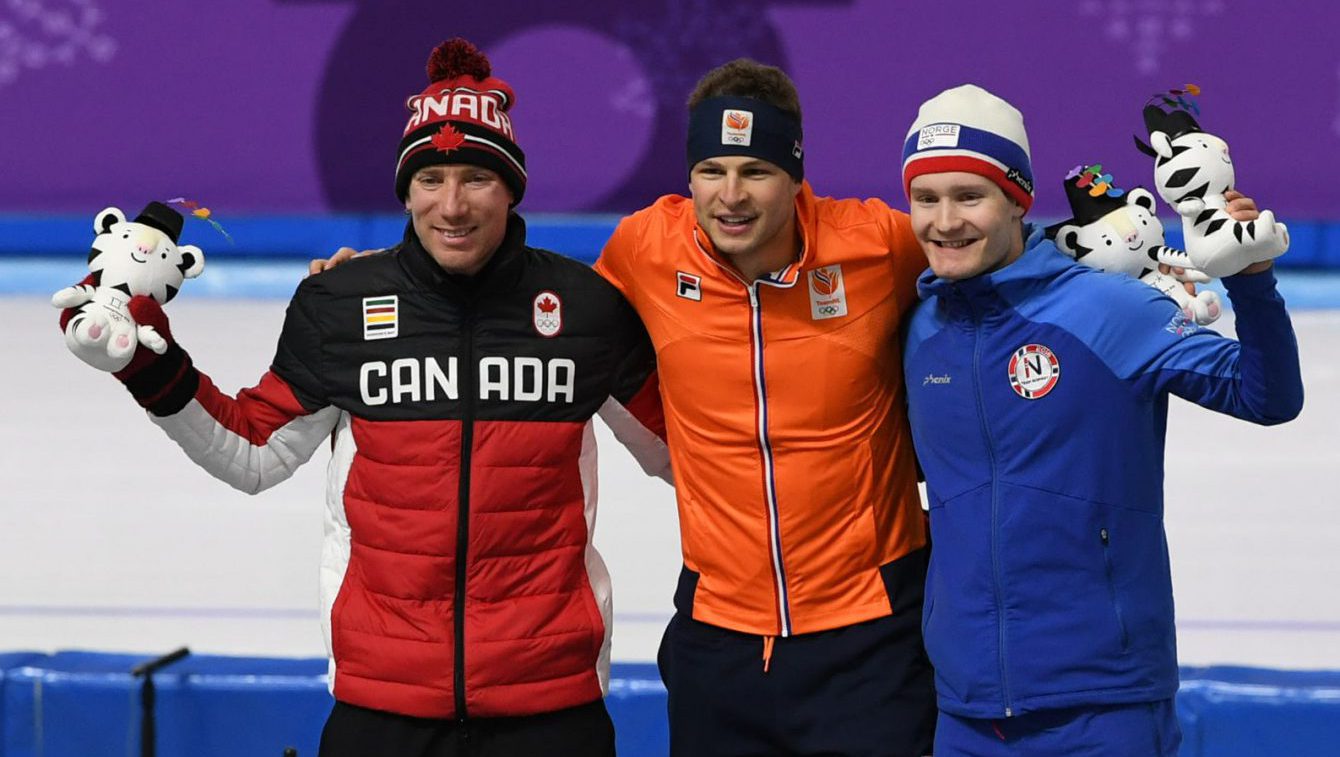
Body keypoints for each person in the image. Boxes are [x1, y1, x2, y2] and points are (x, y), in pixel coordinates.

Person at [61, 38, 668, 756]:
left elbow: (688, 453)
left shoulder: (584, 308)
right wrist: (149, 369)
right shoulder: (341, 304)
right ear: (405, 188)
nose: (452, 204)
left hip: (550, 704)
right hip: (382, 705)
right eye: (431, 178)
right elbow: (253, 452)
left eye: (476, 176)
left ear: (511, 187)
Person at [898, 84, 1304, 755]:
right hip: (967, 713)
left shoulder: (1109, 308)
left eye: (969, 196)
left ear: (1018, 200)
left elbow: (1267, 396)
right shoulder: (921, 333)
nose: (945, 221)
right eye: (925, 198)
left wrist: (1252, 280)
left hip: (1104, 705)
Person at [592, 59, 937, 756]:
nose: (731, 196)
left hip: (871, 635)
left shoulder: (878, 244)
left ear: (796, 172)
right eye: (711, 171)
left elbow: (991, 255)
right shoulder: (645, 248)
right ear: (687, 176)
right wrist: (368, 279)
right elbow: (529, 303)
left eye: (756, 171)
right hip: (719, 640)